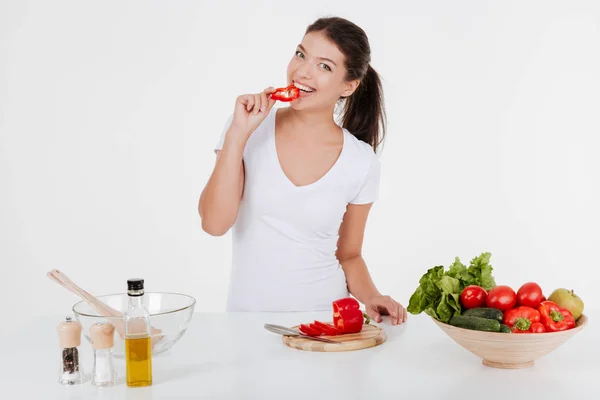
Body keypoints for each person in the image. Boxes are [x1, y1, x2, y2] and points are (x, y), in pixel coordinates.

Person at [198, 16, 407, 325]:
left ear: (348, 86)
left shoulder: (361, 162)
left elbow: (349, 255)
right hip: (245, 324)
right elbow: (214, 223)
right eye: (300, 54)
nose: (302, 71)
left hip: (324, 323)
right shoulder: (245, 129)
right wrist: (238, 135)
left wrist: (373, 296)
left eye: (325, 66)